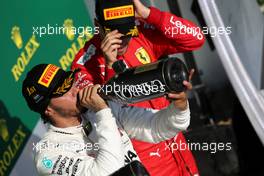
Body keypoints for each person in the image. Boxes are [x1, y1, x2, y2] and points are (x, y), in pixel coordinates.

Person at [71, 0, 205, 175]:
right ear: (98, 26)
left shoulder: (140, 35)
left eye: (127, 31)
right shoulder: (83, 65)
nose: (123, 40)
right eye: (115, 34)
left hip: (181, 157)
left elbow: (196, 38)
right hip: (146, 167)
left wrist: (150, 14)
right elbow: (106, 118)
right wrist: (111, 66)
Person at [22, 63, 193, 176]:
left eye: (70, 82)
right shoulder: (47, 154)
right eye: (63, 91)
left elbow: (157, 128)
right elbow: (109, 171)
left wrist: (179, 105)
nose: (74, 90)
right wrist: (102, 111)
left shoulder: (99, 110)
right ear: (48, 109)